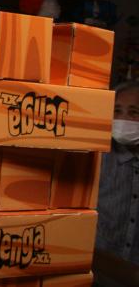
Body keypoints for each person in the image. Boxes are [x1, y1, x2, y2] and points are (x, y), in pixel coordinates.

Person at [94, 81, 139, 286]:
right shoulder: (98, 157)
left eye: (133, 112)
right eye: (117, 111)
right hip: (99, 274)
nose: (123, 120)